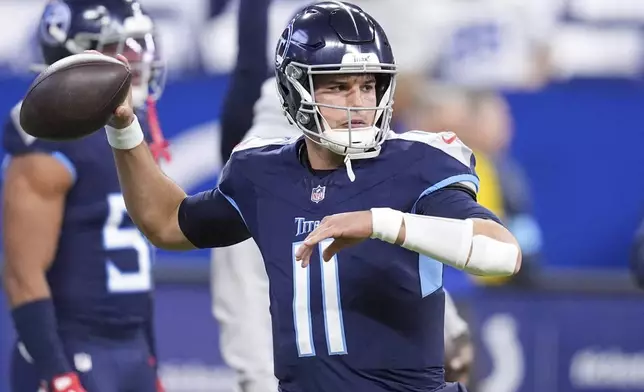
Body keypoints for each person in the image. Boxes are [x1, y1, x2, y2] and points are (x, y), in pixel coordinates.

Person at [102, 2, 522, 390]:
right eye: (337, 87)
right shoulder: (262, 172)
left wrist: (381, 223)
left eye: (367, 86)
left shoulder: (419, 163)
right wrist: (123, 127)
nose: (358, 104)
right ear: (294, 91)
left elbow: (502, 254)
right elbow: (166, 222)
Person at [2, 1, 168, 391]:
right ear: (72, 54)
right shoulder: (46, 141)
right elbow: (22, 273)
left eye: (140, 46)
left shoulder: (131, 128)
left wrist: (151, 359)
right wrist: (56, 372)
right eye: (121, 47)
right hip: (74, 348)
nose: (137, 59)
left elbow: (141, 266)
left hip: (131, 351)